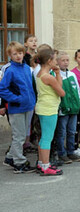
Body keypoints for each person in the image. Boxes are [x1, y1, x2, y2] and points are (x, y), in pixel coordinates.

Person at [0, 41, 36, 173]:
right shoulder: (10, 70)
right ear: (10, 55)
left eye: (20, 53)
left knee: (24, 132)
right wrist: (16, 99)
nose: (18, 56)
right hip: (17, 108)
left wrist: (33, 101)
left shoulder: (27, 68)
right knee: (19, 136)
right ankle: (19, 163)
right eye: (15, 54)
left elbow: (31, 87)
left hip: (29, 106)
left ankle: (10, 157)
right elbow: (3, 89)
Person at [35, 48, 66, 175]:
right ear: (49, 61)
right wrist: (57, 75)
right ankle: (46, 166)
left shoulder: (40, 73)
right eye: (54, 59)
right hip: (49, 109)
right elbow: (62, 92)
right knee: (48, 138)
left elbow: (58, 87)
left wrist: (58, 73)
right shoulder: (48, 77)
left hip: (42, 107)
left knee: (43, 137)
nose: (56, 62)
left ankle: (41, 163)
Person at [55, 52, 80, 165]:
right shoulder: (56, 75)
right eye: (63, 60)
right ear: (57, 62)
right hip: (64, 108)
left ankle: (71, 150)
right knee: (62, 132)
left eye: (67, 60)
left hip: (74, 107)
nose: (66, 63)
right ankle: (62, 153)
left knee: (72, 131)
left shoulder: (71, 75)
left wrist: (78, 102)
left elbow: (77, 89)